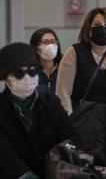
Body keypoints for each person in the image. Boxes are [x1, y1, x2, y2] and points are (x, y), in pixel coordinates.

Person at [0, 43, 70, 179]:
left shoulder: (52, 103)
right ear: (5, 78)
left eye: (32, 71)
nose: (27, 78)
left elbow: (67, 138)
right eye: (19, 73)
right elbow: (4, 153)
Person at [30, 28, 63, 95]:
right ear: (36, 48)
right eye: (45, 42)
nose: (50, 46)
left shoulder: (64, 68)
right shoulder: (31, 72)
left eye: (53, 42)